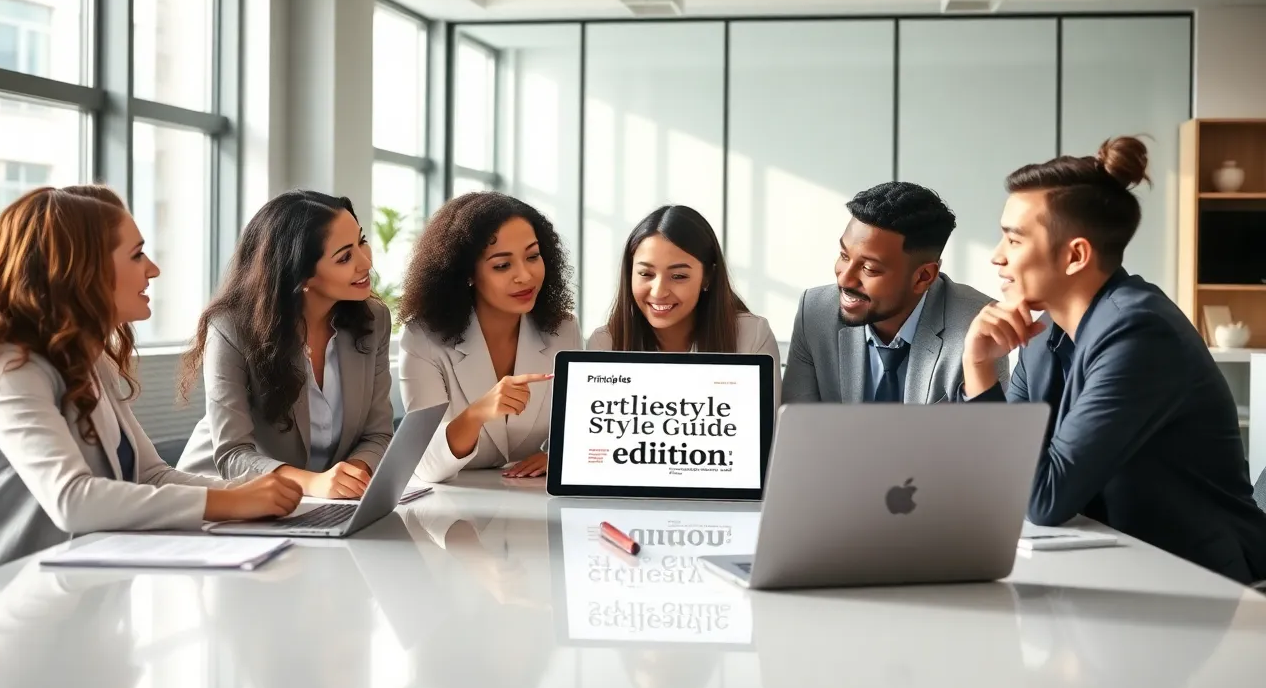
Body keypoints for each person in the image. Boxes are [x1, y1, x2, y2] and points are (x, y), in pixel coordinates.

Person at [0, 186, 300, 590]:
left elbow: (150, 475)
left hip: (70, 586)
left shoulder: (86, 356)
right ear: (81, 270)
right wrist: (231, 503)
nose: (152, 269)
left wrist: (252, 493)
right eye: (136, 255)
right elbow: (73, 500)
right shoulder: (7, 368)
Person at [960, 136, 1266, 585]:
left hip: (1201, 585)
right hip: (1109, 565)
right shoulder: (1044, 339)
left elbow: (1043, 497)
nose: (997, 255)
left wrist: (979, 370)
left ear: (1076, 256)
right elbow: (1002, 478)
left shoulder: (1139, 332)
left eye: (1014, 238)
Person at [176, 190, 394, 499]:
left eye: (362, 241)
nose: (365, 262)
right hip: (222, 498)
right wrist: (313, 483)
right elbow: (233, 454)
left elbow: (378, 433)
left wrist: (352, 479)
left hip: (314, 505)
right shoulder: (231, 328)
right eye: (345, 256)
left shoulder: (374, 320)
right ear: (301, 273)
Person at [397, 192, 580, 483]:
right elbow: (425, 464)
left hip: (530, 503)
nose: (525, 276)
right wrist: (477, 414)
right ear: (466, 273)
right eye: (502, 265)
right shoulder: (422, 338)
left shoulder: (563, 329)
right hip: (450, 511)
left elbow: (577, 431)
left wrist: (560, 454)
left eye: (533, 257)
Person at [782, 181, 1006, 404]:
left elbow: (986, 436)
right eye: (844, 256)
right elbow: (797, 428)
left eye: (869, 268)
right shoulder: (814, 312)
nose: (844, 278)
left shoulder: (977, 325)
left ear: (923, 277)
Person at [586, 205, 781, 404]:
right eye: (646, 274)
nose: (659, 291)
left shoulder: (751, 336)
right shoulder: (605, 343)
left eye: (678, 276)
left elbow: (768, 432)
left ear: (707, 277)